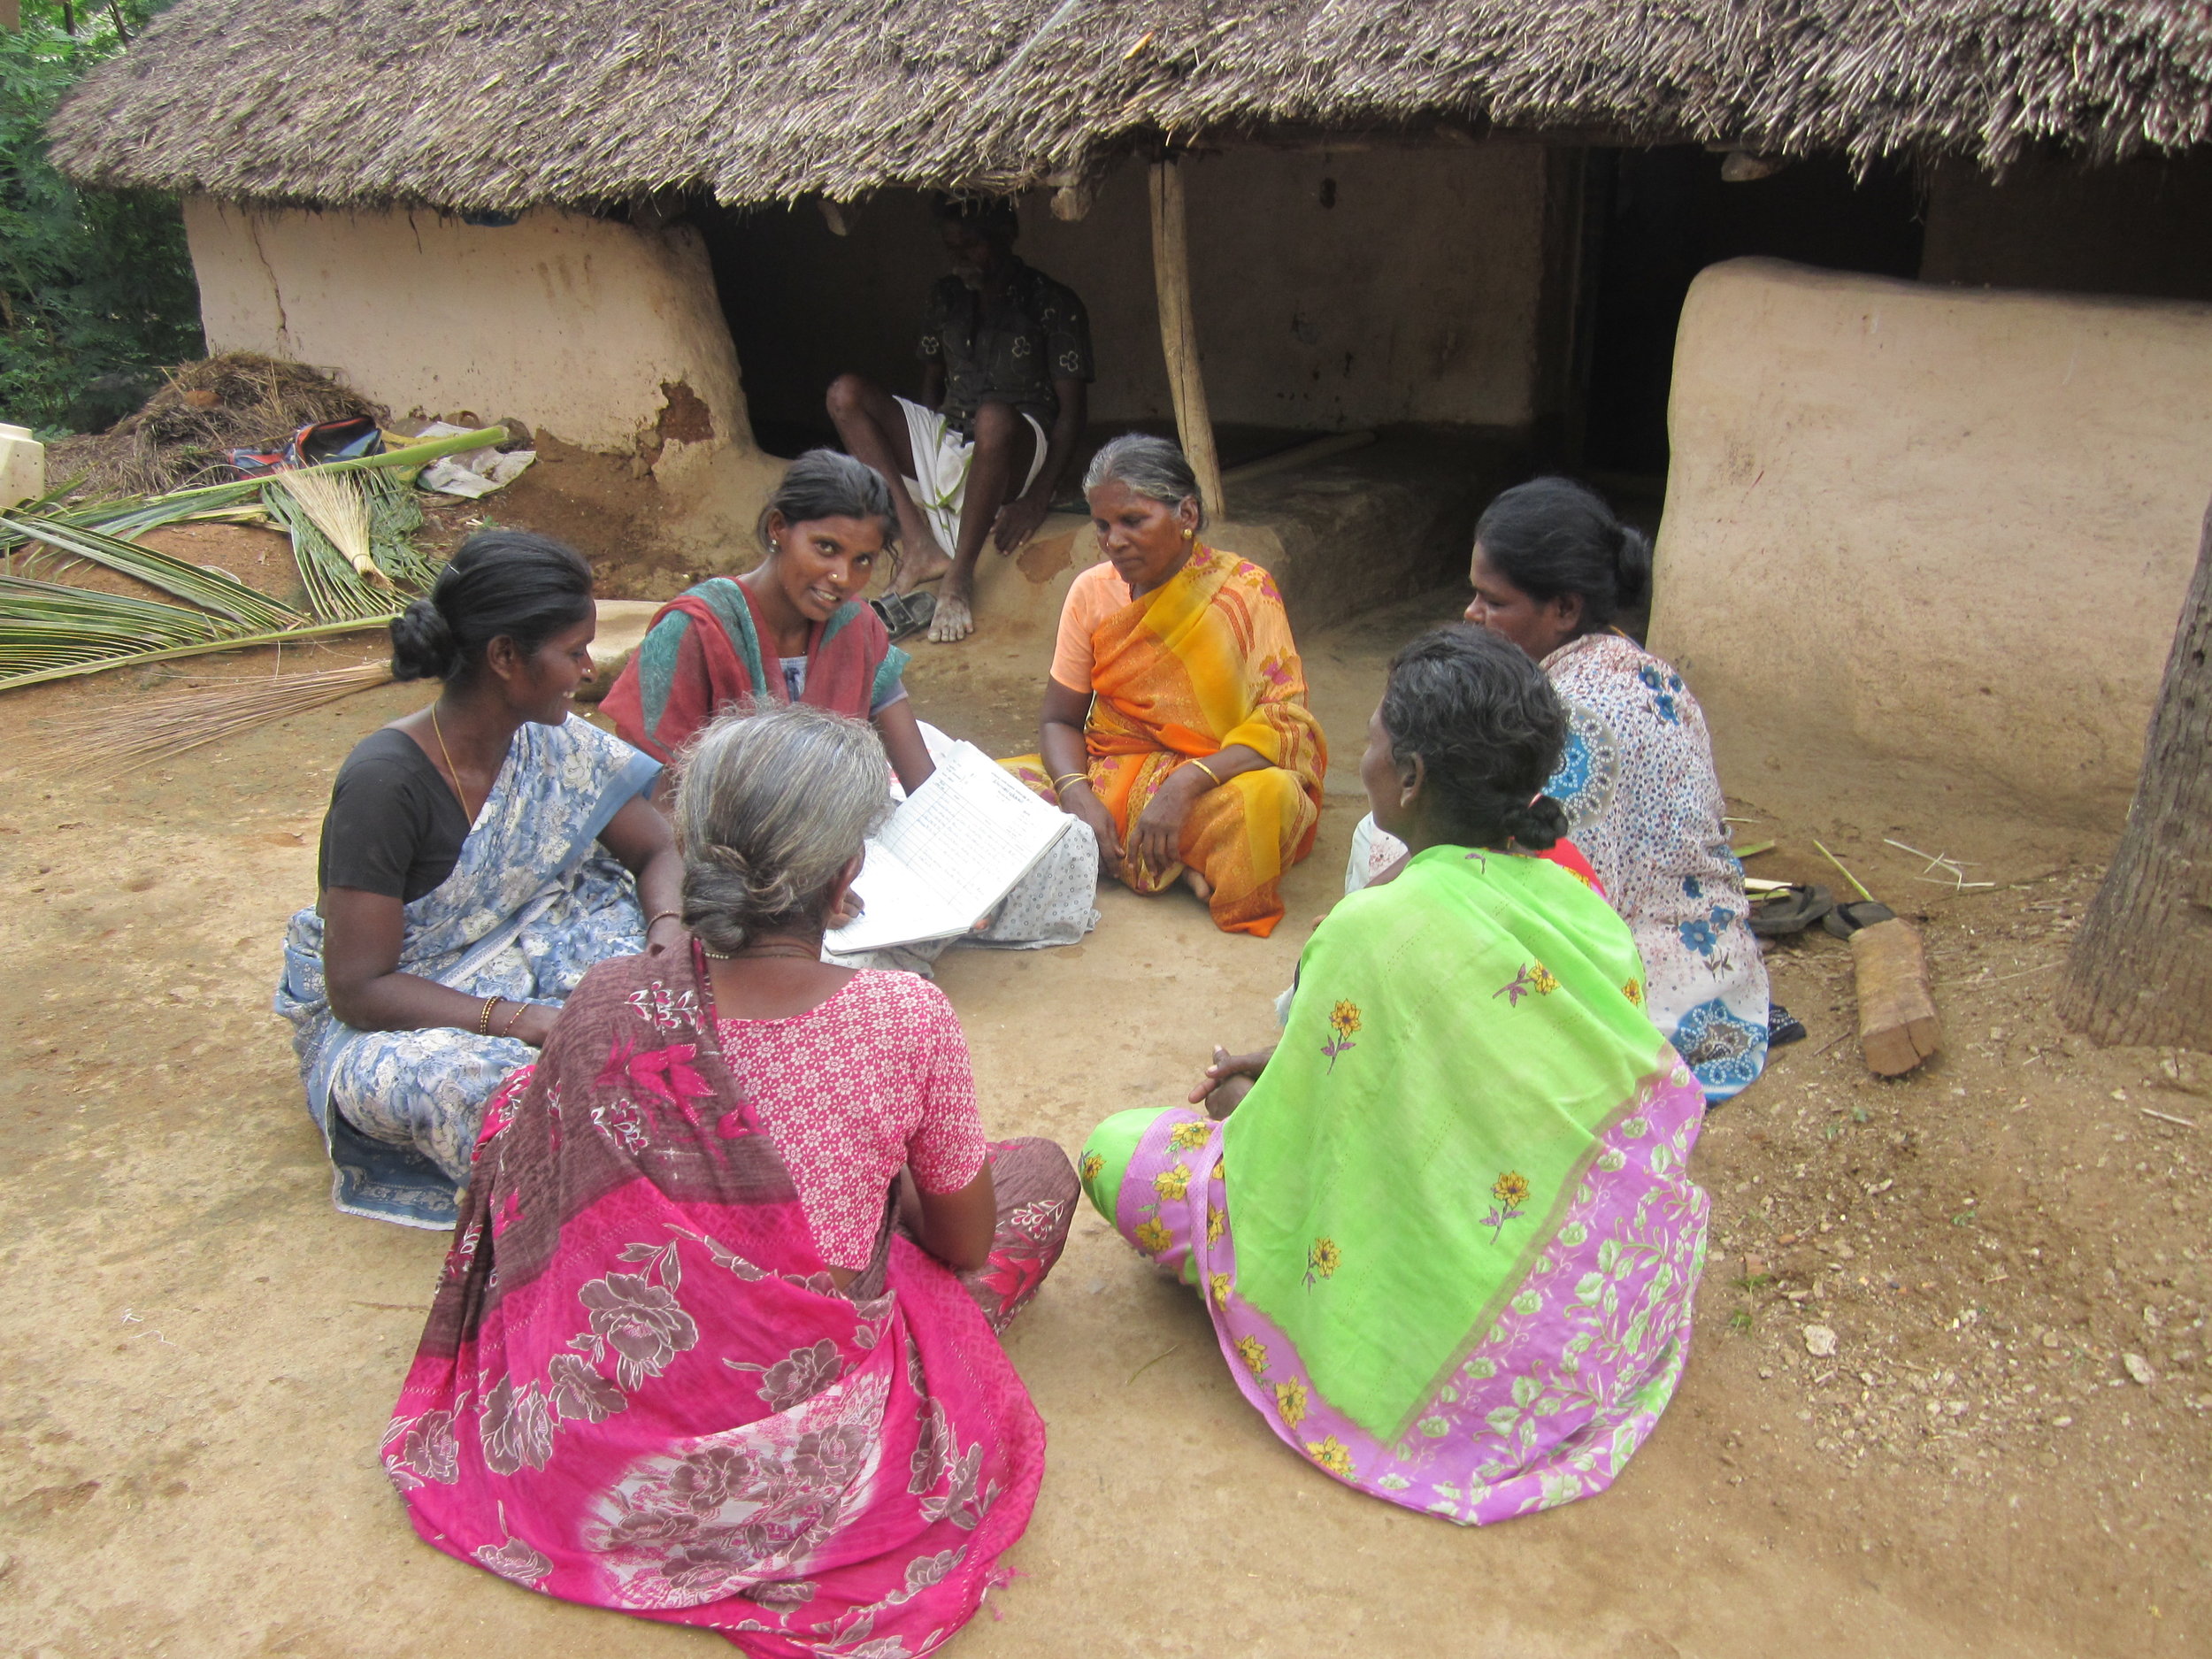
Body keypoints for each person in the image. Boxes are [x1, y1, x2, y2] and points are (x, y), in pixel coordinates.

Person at [384, 703, 1078, 1648]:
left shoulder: (608, 1001)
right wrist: (877, 1184)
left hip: (609, 1438)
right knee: (1034, 1176)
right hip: (811, 1433)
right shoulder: (906, 1017)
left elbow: (534, 1172)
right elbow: (961, 1240)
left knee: (523, 1107)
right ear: (846, 878)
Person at [1080, 626, 1709, 1522]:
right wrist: (1294, 1070)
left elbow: (1292, 1159)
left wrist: (1249, 1097)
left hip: (1443, 1336)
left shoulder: (1374, 925)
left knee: (1116, 1153)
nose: (1363, 753)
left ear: (1409, 778)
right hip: (1583, 1316)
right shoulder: (1577, 902)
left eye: (1373, 738)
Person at [274, 530, 683, 1228]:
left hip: (534, 953)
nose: (585, 670)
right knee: (479, 1087)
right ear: (503, 656)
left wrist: (667, 932)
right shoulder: (384, 783)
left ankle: (645, 1141)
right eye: (572, 650)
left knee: (672, 983)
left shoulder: (549, 737)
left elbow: (657, 851)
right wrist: (522, 1022)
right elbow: (359, 988)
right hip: (409, 1013)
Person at [1351, 477, 1771, 1102]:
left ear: (1565, 610)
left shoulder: (1576, 719)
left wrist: (1354, 928)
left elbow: (1552, 897)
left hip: (1648, 995)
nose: (1472, 614)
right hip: (1720, 971)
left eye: (1493, 601)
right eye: (1473, 595)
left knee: (1384, 850)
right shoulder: (1637, 665)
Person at [600, 449, 1097, 966]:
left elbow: (918, 775)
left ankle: (921, 924)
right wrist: (792, 887)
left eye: (862, 560)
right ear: (778, 529)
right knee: (818, 960)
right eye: (825, 548)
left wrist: (960, 877)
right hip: (736, 857)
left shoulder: (857, 625)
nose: (843, 576)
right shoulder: (694, 629)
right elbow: (661, 810)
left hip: (843, 829)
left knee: (1066, 853)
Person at [1006, 435, 1326, 938]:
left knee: (1267, 802)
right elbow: (1058, 720)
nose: (1114, 541)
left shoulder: (1245, 591)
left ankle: (1122, 856)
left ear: (1188, 515)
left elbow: (1285, 729)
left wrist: (1184, 783)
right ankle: (1179, 867)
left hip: (1214, 781)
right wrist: (1076, 795)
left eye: (1133, 521)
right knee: (991, 794)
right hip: (1112, 772)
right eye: (1103, 525)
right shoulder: (1091, 591)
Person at [826, 196, 1093, 643]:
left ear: (1006, 236)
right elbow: (932, 383)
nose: (960, 257)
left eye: (972, 245)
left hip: (1016, 446)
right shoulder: (945, 298)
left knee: (992, 417)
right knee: (844, 395)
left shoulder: (1052, 302)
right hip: (953, 434)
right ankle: (919, 545)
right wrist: (928, 452)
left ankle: (960, 578)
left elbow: (1073, 414)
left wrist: (1037, 498)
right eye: (952, 247)